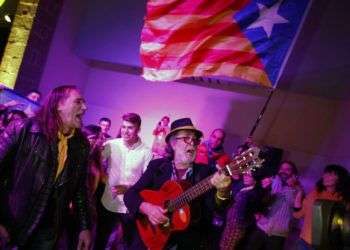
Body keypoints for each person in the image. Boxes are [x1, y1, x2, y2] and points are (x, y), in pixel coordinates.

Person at [0, 85, 91, 249]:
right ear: (58, 105)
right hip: (12, 220)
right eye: (78, 102)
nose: (84, 108)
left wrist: (84, 226)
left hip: (49, 231)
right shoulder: (24, 128)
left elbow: (80, 189)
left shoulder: (81, 144)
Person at [124, 117, 232, 249]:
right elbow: (130, 194)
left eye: (195, 140)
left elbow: (217, 207)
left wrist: (223, 192)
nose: (192, 143)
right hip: (149, 237)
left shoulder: (206, 173)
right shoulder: (158, 166)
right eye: (187, 138)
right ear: (173, 143)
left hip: (183, 243)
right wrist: (147, 208)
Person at [94, 113, 152, 250]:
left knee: (126, 243)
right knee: (100, 240)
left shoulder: (146, 151)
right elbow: (95, 163)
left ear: (138, 129)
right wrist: (103, 177)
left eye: (130, 128)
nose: (125, 131)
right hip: (109, 201)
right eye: (123, 127)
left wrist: (129, 188)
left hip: (129, 204)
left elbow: (147, 180)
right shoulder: (111, 144)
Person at [244, 161, 302, 250]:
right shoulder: (270, 182)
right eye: (281, 169)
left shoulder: (297, 190)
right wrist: (256, 214)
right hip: (261, 227)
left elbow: (297, 210)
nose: (283, 171)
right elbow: (255, 200)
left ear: (293, 174)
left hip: (278, 233)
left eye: (287, 170)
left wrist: (295, 187)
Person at [293, 164, 349, 250]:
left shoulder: (344, 199)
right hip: (304, 241)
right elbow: (298, 214)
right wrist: (299, 195)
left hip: (327, 245)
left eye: (331, 174)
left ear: (340, 178)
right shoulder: (314, 193)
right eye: (325, 173)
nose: (325, 176)